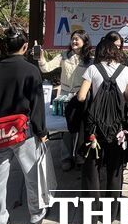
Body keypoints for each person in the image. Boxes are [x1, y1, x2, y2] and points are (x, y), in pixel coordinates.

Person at [0, 27, 49, 224]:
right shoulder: (30, 70)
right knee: (32, 174)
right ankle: (35, 213)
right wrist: (41, 131)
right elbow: (37, 104)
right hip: (23, 130)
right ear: (25, 46)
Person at [77, 39, 128, 219]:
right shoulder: (126, 71)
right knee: (115, 169)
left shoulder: (93, 70)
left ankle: (92, 213)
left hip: (95, 127)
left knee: (92, 168)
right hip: (117, 128)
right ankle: (111, 213)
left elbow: (81, 97)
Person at [38, 29, 93, 171]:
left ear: (85, 42)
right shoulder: (63, 56)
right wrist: (41, 58)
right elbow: (46, 68)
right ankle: (66, 157)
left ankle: (81, 157)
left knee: (81, 129)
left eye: (77, 39)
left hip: (81, 98)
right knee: (67, 129)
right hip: (65, 97)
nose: (74, 41)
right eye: (73, 38)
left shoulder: (90, 60)